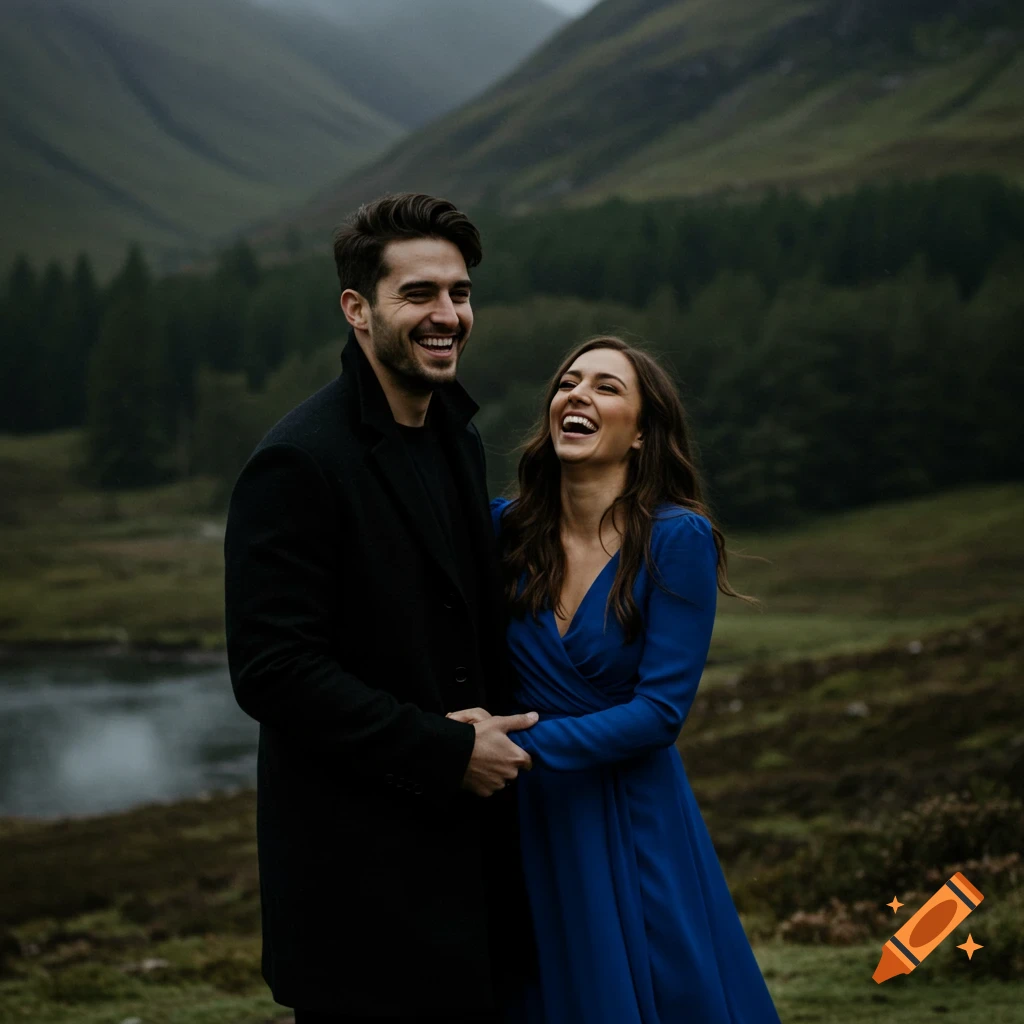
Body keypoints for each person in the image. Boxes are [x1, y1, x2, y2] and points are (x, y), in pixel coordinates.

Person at [223, 193, 538, 1023]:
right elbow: (273, 672)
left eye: (460, 293)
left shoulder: (457, 438)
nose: (448, 316)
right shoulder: (297, 462)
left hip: (469, 875)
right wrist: (443, 751)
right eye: (420, 294)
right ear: (357, 310)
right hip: (359, 886)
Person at [480, 336, 783, 1023]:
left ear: (643, 433)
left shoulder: (678, 540)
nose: (578, 395)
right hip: (522, 816)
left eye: (607, 388)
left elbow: (660, 714)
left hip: (628, 806)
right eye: (568, 382)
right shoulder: (504, 530)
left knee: (661, 990)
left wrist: (521, 750)